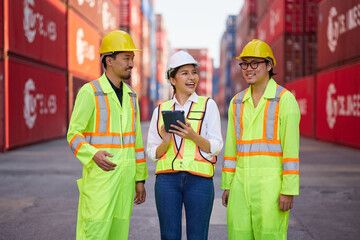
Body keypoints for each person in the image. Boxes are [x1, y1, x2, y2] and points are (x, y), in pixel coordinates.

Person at [67, 30, 149, 239]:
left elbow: (136, 142)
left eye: (132, 58)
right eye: (126, 58)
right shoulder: (90, 91)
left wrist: (140, 179)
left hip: (125, 180)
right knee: (94, 232)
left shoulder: (131, 96)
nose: (131, 63)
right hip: (101, 180)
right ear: (109, 60)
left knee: (119, 233)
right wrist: (93, 154)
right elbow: (74, 134)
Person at [221, 39, 300, 240]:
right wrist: (228, 185)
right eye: (245, 64)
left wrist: (288, 190)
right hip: (240, 187)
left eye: (255, 63)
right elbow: (231, 150)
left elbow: (291, 151)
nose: (248, 69)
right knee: (238, 235)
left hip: (270, 188)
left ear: (269, 65)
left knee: (270, 236)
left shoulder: (285, 99)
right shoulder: (236, 102)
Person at [146, 50, 223, 240]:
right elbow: (152, 153)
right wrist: (165, 142)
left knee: (198, 236)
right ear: (172, 80)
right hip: (167, 182)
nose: (192, 78)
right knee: (169, 236)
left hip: (199, 181)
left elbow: (216, 145)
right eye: (185, 73)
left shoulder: (208, 105)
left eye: (194, 72)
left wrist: (193, 136)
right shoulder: (160, 110)